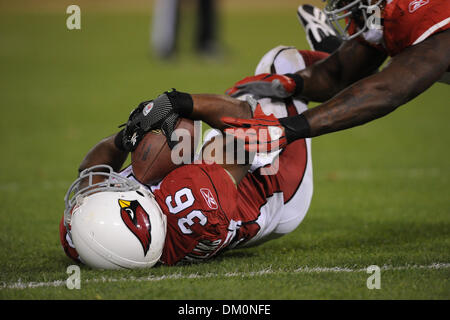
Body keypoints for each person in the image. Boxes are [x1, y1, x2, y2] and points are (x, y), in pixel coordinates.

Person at [59, 45, 329, 268]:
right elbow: (248, 127)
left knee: (223, 113)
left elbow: (91, 169)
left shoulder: (93, 240)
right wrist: (179, 102)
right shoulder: (190, 200)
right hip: (275, 186)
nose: (112, 184)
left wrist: (126, 137)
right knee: (278, 67)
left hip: (224, 180)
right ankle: (349, 57)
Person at [221, 1, 450, 152]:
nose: (345, 9)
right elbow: (340, 76)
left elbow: (388, 90)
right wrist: (293, 82)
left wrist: (290, 128)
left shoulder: (430, 10)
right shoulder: (387, 11)